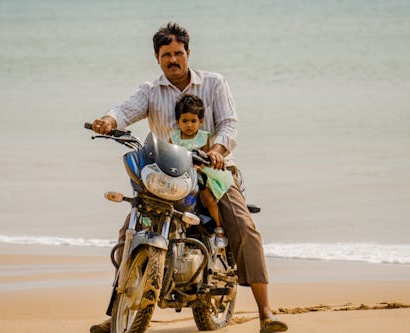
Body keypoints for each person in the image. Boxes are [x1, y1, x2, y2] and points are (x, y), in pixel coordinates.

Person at [90, 22, 288, 333]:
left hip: (212, 171)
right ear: (157, 58)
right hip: (167, 174)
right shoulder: (150, 92)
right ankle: (119, 311)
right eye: (166, 54)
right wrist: (108, 120)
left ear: (188, 53)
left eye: (178, 53)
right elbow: (125, 109)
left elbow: (229, 124)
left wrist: (219, 150)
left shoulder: (214, 83)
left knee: (244, 228)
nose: (173, 59)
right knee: (128, 232)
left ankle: (265, 312)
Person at [171, 93, 231, 248]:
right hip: (179, 174)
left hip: (199, 173)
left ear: (201, 121)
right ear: (178, 121)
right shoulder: (174, 137)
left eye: (193, 121)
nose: (189, 125)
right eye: (185, 121)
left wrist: (198, 167)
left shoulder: (203, 137)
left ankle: (219, 228)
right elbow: (169, 154)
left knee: (209, 198)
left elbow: (206, 158)